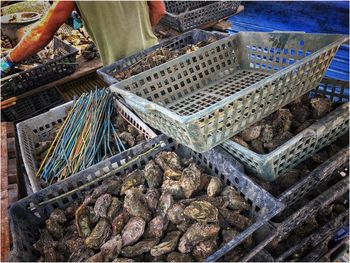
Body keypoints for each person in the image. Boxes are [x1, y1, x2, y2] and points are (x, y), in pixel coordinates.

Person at [1, 0, 165, 76]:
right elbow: (159, 10)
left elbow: (40, 35)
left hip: (122, 70)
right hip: (156, 56)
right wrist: (137, 32)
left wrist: (7, 61)